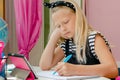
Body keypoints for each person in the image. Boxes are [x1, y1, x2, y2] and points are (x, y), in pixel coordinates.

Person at [40, 0, 118, 79]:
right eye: (58, 26)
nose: (63, 28)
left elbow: (113, 70)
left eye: (66, 22)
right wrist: (53, 37)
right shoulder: (67, 44)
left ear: (78, 17)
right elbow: (45, 66)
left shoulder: (94, 39)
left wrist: (75, 69)